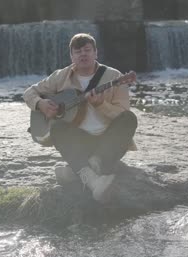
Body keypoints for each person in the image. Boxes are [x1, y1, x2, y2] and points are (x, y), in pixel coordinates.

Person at [23, 33, 137, 203]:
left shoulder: (115, 77)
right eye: (78, 51)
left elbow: (122, 114)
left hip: (108, 142)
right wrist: (41, 104)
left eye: (87, 50)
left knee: (130, 119)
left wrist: (101, 105)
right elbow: (29, 92)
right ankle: (93, 179)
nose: (83, 54)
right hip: (79, 141)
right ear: (72, 56)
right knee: (58, 128)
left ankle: (79, 169)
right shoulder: (60, 76)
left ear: (95, 53)